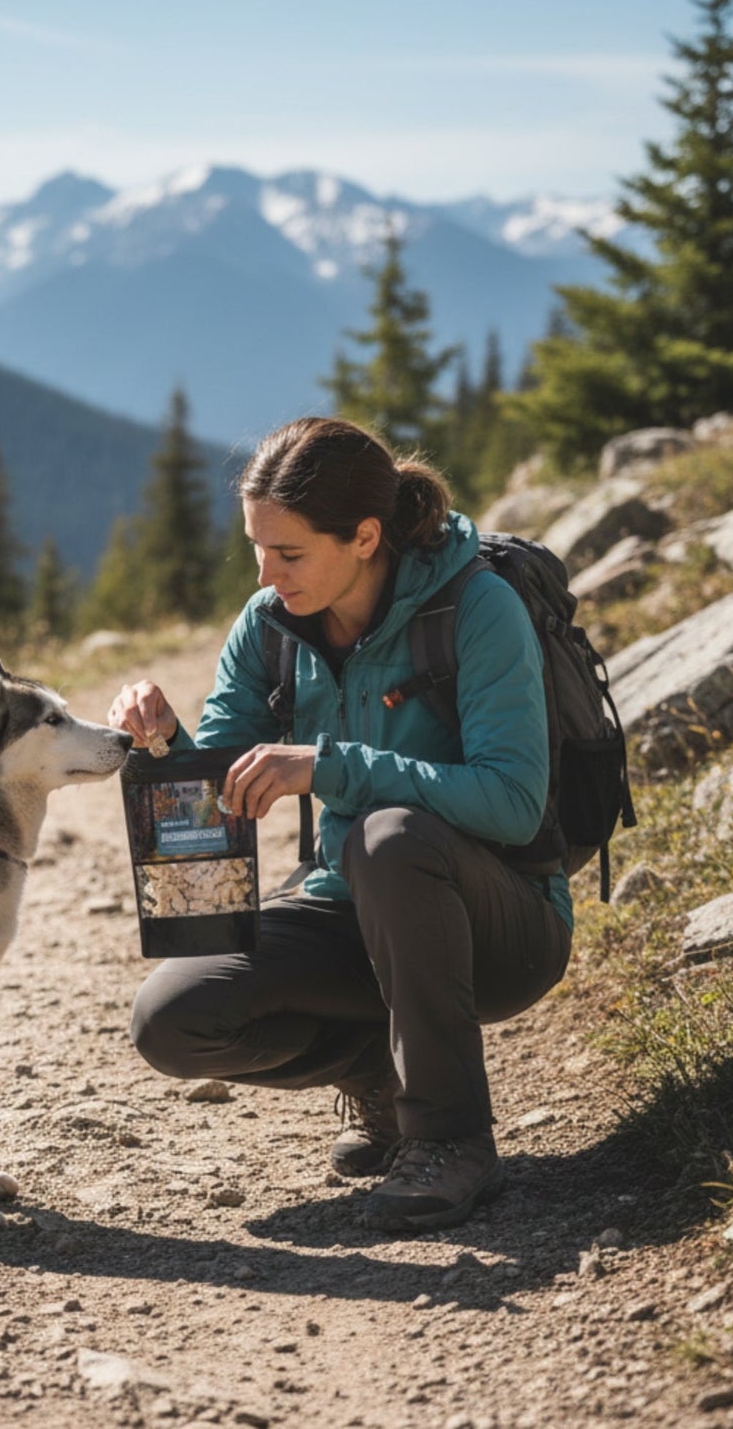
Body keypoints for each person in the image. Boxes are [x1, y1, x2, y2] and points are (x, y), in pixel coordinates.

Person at [107, 416, 572, 1233]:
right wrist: (164, 742)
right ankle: (381, 1077)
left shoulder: (476, 610)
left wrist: (328, 766)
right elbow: (225, 786)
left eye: (290, 554)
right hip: (355, 908)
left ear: (364, 536)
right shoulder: (271, 625)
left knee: (386, 836)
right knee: (172, 1020)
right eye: (257, 548)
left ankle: (453, 1140)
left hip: (503, 925)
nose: (267, 573)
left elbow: (512, 801)